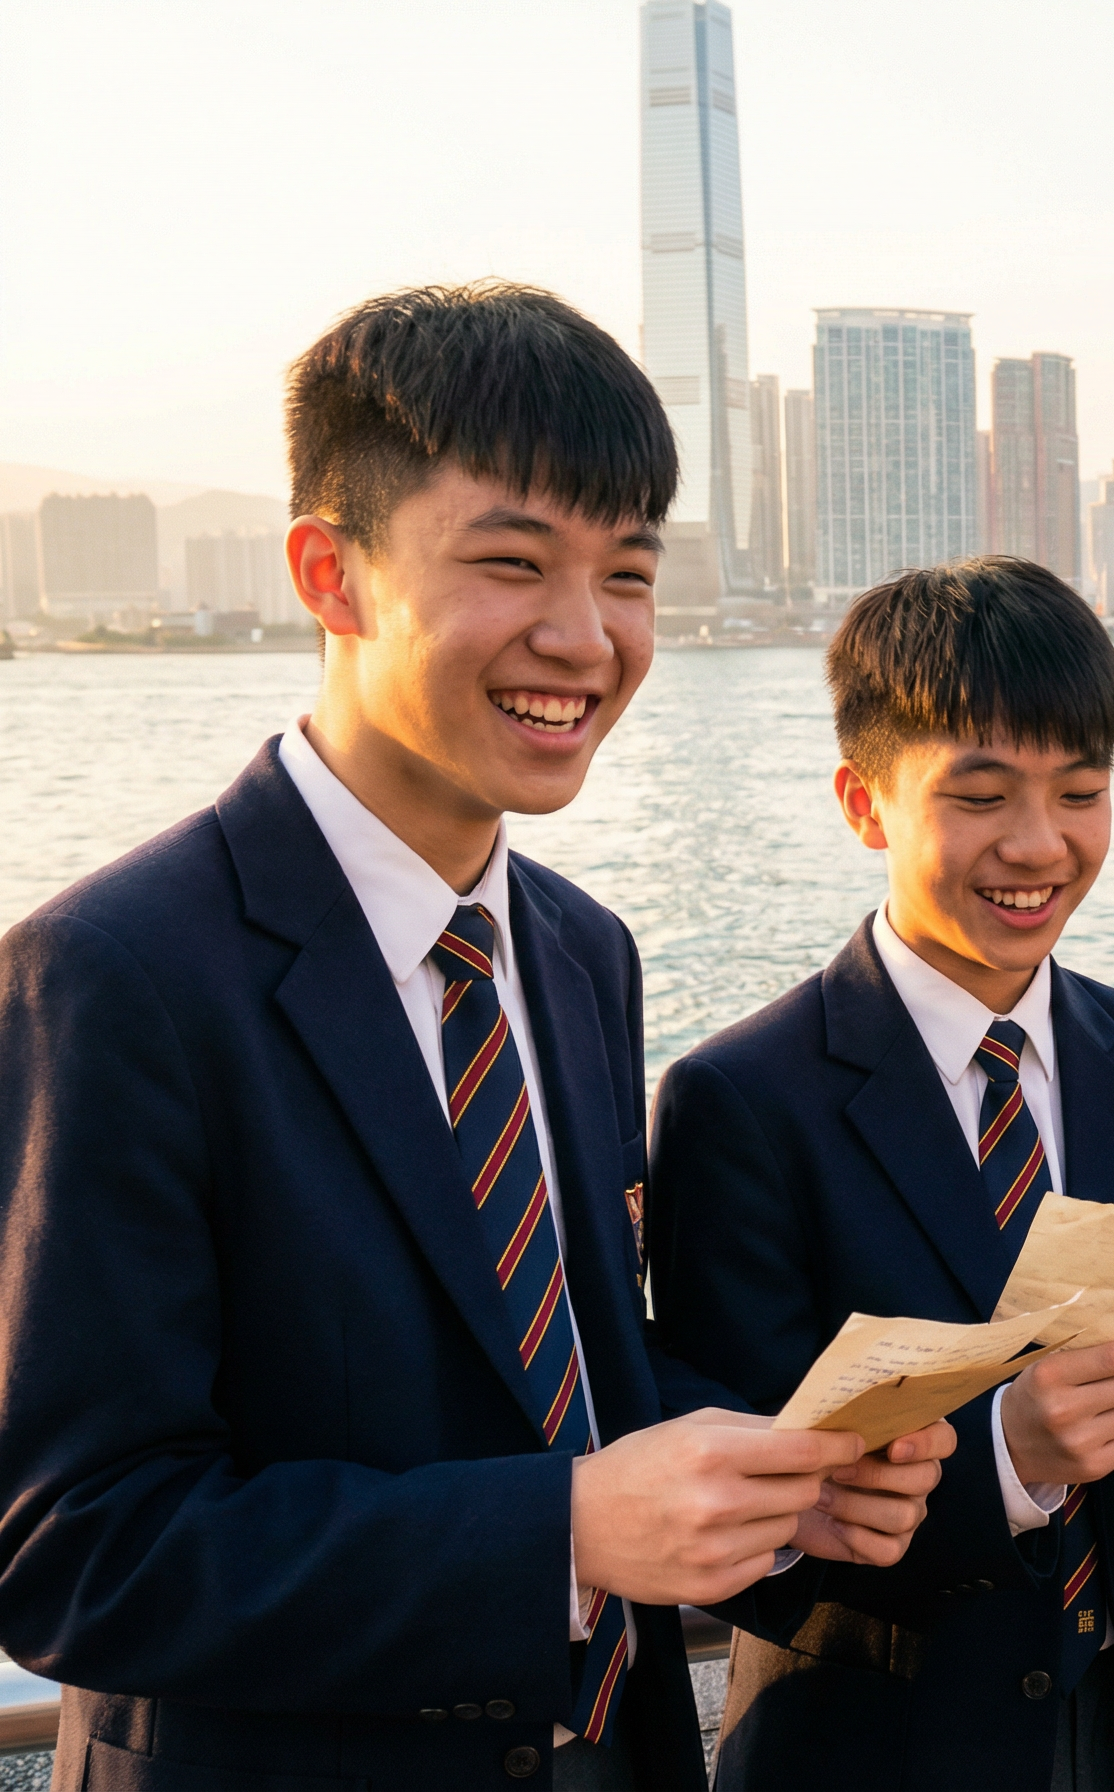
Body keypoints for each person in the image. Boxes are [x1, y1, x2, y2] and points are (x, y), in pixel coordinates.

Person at [0, 283, 953, 1792]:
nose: (584, 641)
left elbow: (563, 1369)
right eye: (513, 563)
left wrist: (777, 1478)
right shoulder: (112, 973)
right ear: (332, 572)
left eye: (629, 576)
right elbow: (76, 1550)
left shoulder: (579, 950)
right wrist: (562, 1531)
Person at [645, 556, 1114, 1792]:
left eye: (1082, 791)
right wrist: (1004, 1451)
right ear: (863, 801)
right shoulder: (741, 1098)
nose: (1039, 845)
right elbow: (731, 1509)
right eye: (982, 795)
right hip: (873, 1745)